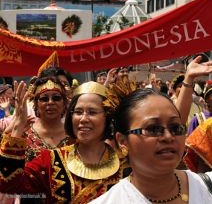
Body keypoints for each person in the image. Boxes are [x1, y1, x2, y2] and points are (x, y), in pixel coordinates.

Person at [89, 57, 212, 204]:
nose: (168, 137)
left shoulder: (206, 187)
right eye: (153, 129)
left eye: (175, 128)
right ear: (122, 141)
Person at [0, 80, 130, 203]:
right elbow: (8, 185)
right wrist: (17, 127)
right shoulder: (50, 161)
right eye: (78, 112)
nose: (83, 119)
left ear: (108, 117)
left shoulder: (126, 163)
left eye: (92, 112)